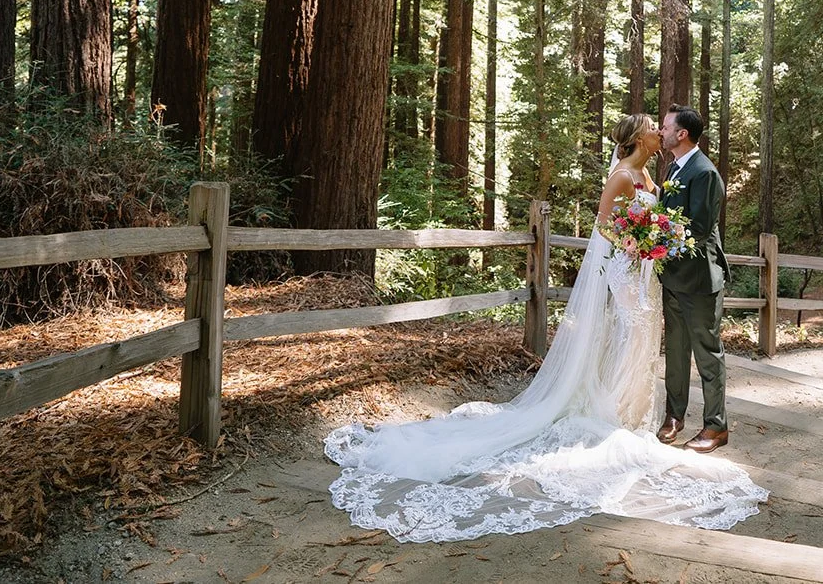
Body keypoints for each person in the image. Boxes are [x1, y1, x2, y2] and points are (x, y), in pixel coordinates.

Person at [322, 112, 766, 542]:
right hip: (633, 269)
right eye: (653, 127)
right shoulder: (629, 176)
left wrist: (648, 243)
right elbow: (606, 224)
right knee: (635, 335)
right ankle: (631, 413)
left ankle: (674, 417)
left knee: (652, 341)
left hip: (656, 272)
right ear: (638, 138)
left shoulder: (666, 174)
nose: (658, 131)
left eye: (662, 127)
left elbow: (685, 225)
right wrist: (635, 243)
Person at [655, 105, 731, 452]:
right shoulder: (673, 166)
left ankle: (716, 427)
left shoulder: (705, 173)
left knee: (707, 354)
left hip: (700, 278)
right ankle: (675, 415)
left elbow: (698, 229)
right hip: (672, 276)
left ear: (681, 134)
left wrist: (656, 239)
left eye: (666, 126)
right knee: (676, 349)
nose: (661, 131)